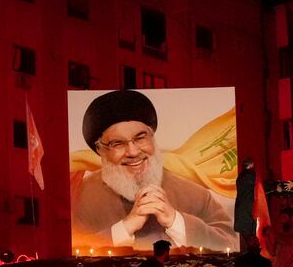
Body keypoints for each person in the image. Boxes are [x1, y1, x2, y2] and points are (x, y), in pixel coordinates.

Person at [72, 90, 238, 252]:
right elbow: (72, 250)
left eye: (140, 138)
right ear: (100, 150)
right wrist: (125, 227)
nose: (133, 152)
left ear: (152, 138)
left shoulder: (195, 194)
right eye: (117, 143)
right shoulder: (81, 197)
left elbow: (230, 244)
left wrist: (175, 220)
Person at [233, 159, 258, 251]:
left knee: (247, 235)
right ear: (250, 165)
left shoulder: (240, 177)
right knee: (250, 235)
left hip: (242, 209)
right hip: (247, 209)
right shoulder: (250, 175)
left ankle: (251, 252)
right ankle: (252, 254)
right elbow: (258, 186)